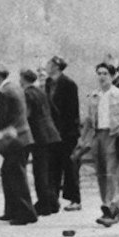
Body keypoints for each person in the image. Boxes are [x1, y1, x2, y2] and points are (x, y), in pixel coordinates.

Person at [85, 62, 119, 226]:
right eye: (99, 73)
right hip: (98, 135)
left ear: (113, 76)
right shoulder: (94, 95)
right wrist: (84, 139)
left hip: (114, 135)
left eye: (105, 73)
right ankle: (109, 208)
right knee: (101, 173)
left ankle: (111, 208)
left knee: (111, 173)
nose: (101, 76)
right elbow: (88, 120)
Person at [0, 64, 35, 225]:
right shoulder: (15, 87)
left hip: (15, 139)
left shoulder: (2, 92)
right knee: (8, 172)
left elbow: (0, 119)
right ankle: (12, 210)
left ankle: (26, 213)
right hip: (22, 137)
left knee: (16, 175)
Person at [21, 67, 60, 216]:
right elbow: (54, 110)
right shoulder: (41, 91)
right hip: (51, 133)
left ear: (23, 79)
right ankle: (52, 202)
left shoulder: (27, 93)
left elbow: (27, 114)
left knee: (40, 171)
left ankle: (45, 204)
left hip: (39, 135)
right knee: (48, 171)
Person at [47, 56, 83, 211]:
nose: (47, 66)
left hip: (67, 132)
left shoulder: (69, 84)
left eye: (50, 64)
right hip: (53, 132)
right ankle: (53, 198)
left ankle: (75, 199)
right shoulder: (49, 83)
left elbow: (72, 111)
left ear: (56, 66)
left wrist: (68, 131)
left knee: (70, 166)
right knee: (53, 166)